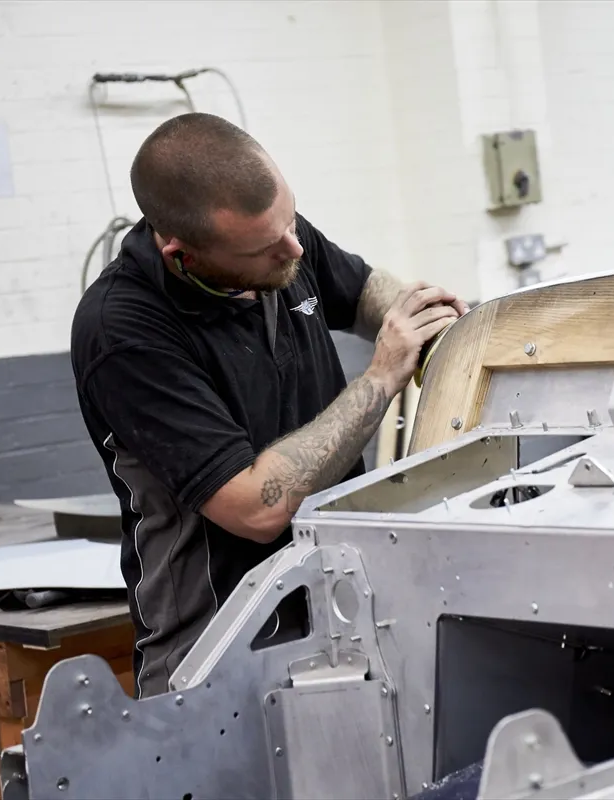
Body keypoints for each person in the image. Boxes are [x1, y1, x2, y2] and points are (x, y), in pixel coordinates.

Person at [71, 112, 468, 699]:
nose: (294, 248)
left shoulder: (276, 237)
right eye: (266, 247)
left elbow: (364, 292)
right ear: (184, 254)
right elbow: (256, 508)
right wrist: (382, 376)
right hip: (219, 650)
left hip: (337, 609)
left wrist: (437, 328)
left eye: (291, 221)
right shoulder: (125, 331)